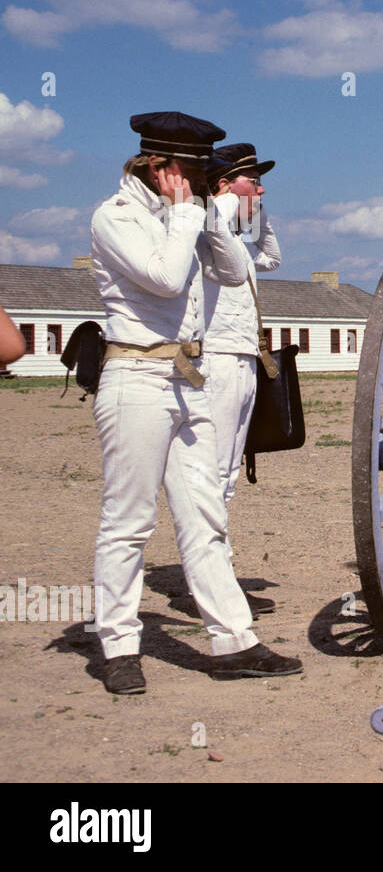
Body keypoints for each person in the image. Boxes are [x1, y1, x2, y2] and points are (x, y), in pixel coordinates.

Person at [89, 111, 301, 695]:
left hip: (189, 375)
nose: (199, 181)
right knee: (129, 519)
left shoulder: (188, 212)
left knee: (204, 513)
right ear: (158, 166)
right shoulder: (117, 216)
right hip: (135, 373)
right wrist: (185, 218)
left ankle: (234, 641)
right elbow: (162, 277)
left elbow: (234, 274)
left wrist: (208, 220)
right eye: (192, 170)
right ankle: (119, 644)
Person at [201, 143, 280, 616]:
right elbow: (232, 268)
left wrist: (257, 212)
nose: (262, 186)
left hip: (242, 358)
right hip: (217, 361)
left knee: (227, 472)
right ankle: (213, 578)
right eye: (253, 179)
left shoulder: (228, 230)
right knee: (214, 474)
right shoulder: (207, 233)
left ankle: (217, 574)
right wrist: (229, 204)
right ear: (225, 183)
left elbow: (270, 257)